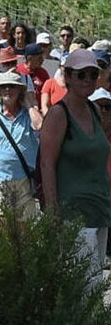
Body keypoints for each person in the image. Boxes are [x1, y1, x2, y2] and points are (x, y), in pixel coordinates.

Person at [40, 49, 111, 291]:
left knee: (94, 286)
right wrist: (52, 213)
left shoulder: (94, 110)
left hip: (99, 210)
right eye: (81, 75)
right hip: (73, 215)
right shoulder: (59, 114)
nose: (88, 80)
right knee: (81, 289)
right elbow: (46, 163)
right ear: (67, 76)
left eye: (93, 74)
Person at [0, 70, 44, 223]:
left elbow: (40, 126)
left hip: (25, 178)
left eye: (12, 86)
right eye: (4, 87)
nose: (7, 90)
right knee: (2, 221)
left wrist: (30, 105)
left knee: (26, 224)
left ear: (20, 91)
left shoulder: (28, 115)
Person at [15, 43, 50, 111]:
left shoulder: (43, 73)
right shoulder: (18, 71)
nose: (42, 60)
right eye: (39, 58)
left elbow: (47, 93)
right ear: (29, 58)